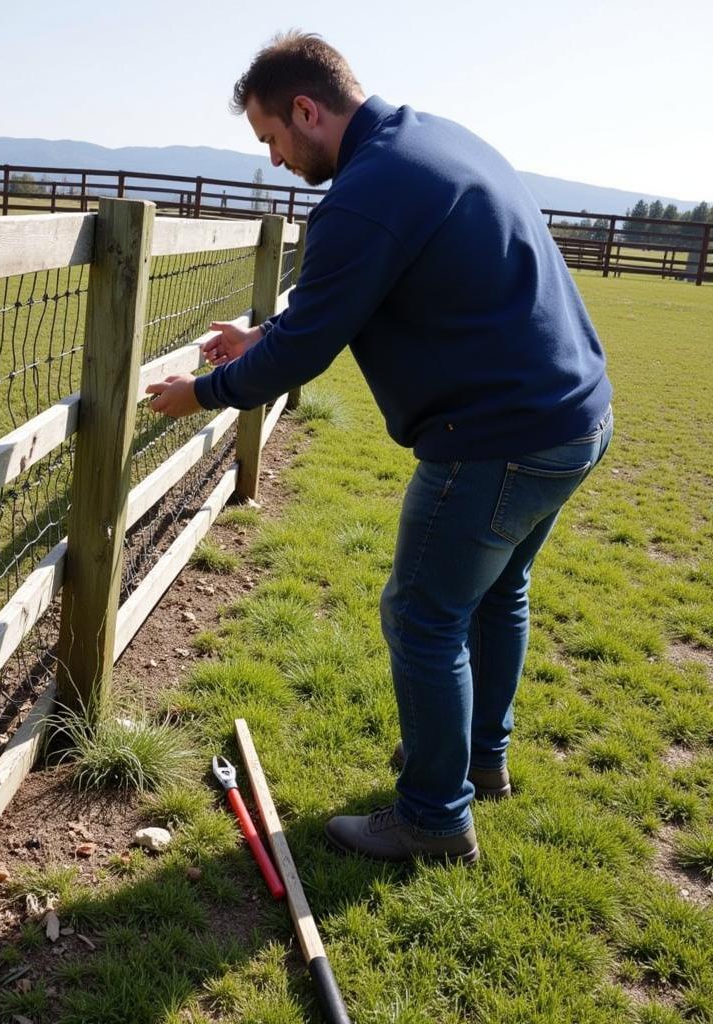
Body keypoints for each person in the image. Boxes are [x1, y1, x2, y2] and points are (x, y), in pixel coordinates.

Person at [145, 31, 613, 864]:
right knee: (498, 592)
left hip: (498, 437)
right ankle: (478, 761)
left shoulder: (364, 196)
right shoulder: (431, 141)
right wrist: (263, 335)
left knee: (421, 614)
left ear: (306, 110)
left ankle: (435, 816)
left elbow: (310, 350)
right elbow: (349, 300)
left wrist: (201, 394)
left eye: (272, 140)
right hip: (574, 418)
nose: (277, 159)